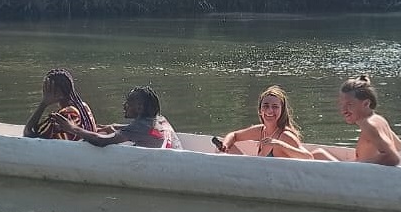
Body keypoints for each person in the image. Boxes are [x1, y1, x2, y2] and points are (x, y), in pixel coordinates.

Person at [50, 85, 182, 149]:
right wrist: (100, 127)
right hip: (173, 160)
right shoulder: (159, 120)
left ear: (140, 108)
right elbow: (117, 128)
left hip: (164, 166)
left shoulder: (140, 126)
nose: (124, 105)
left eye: (128, 103)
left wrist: (72, 128)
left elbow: (101, 141)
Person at [214, 85, 314, 159]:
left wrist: (279, 145)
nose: (270, 111)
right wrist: (225, 146)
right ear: (260, 110)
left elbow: (309, 158)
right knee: (230, 148)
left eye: (275, 107)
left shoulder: (285, 136)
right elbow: (234, 135)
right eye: (265, 106)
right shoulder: (261, 130)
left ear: (282, 110)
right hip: (261, 175)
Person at [337, 75, 401, 166]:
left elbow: (393, 158)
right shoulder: (379, 119)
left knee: (315, 154)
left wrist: (357, 165)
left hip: (364, 175)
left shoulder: (368, 125)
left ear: (366, 103)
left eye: (349, 104)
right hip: (365, 171)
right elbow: (398, 146)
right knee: (319, 153)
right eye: (342, 104)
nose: (343, 110)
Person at [23, 68, 97, 141]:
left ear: (59, 92)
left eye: (47, 88)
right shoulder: (83, 106)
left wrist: (44, 104)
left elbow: (28, 133)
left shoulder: (65, 114)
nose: (44, 91)